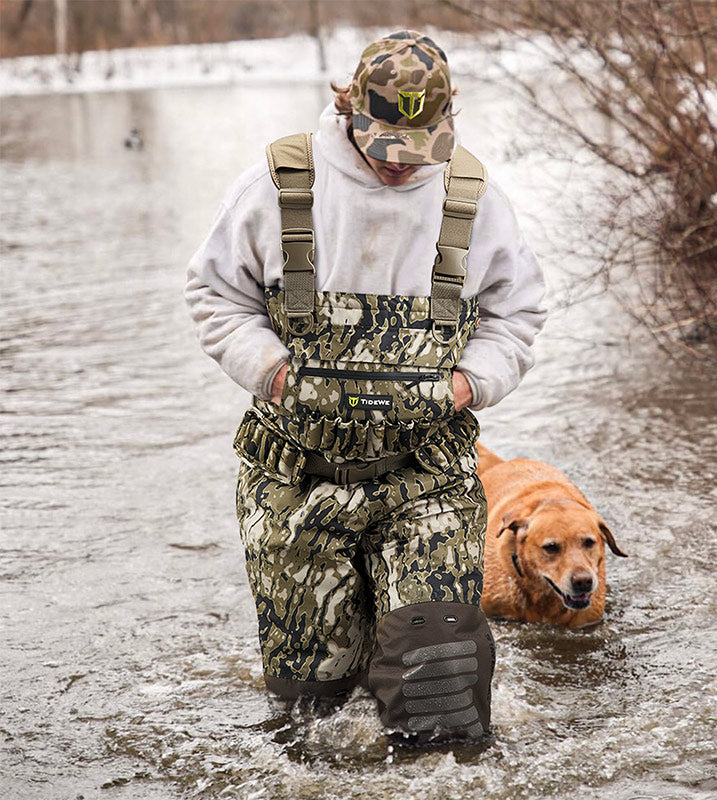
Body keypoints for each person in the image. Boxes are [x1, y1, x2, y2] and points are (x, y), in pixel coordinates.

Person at [185, 30, 547, 742]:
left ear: (448, 122)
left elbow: (519, 313)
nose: (397, 169)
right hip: (295, 481)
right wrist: (272, 370)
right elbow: (212, 294)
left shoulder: (474, 197)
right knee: (310, 717)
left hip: (428, 477)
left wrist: (472, 384)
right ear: (347, 107)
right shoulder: (277, 185)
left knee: (442, 696)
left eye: (417, 150)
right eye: (385, 147)